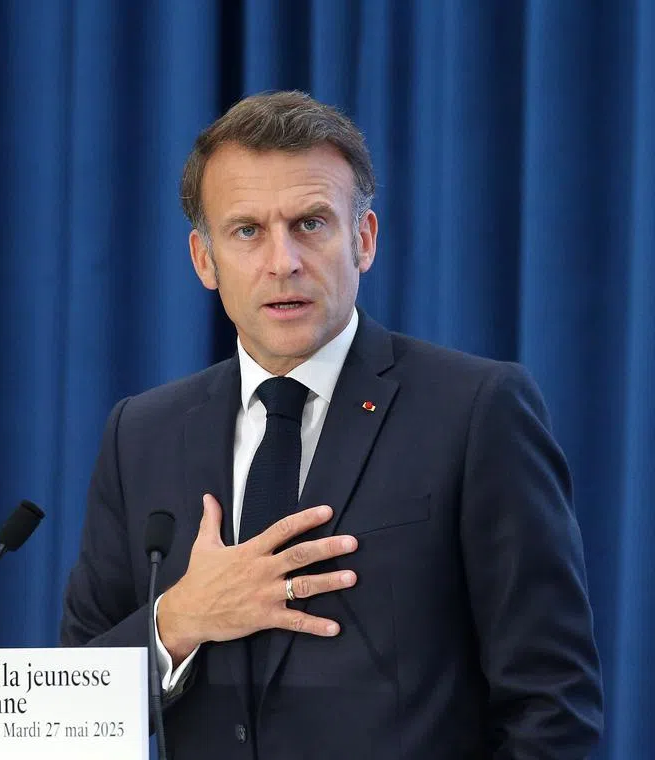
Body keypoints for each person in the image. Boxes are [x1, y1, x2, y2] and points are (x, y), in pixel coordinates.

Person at [59, 90, 603, 759]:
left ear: (364, 240)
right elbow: (72, 706)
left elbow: (552, 702)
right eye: (248, 230)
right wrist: (179, 620)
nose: (282, 261)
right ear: (204, 259)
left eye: (311, 223)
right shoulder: (140, 433)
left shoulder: (475, 409)